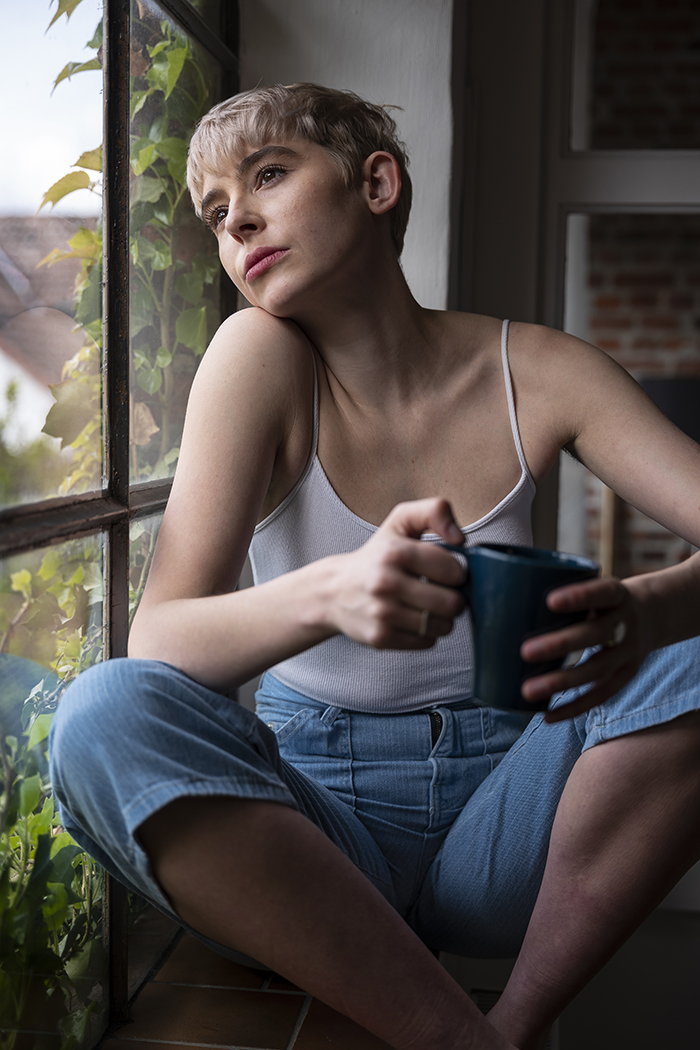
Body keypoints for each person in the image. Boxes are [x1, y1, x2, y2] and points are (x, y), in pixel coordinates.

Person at [49, 84, 700, 1050]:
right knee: (100, 713)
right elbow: (159, 640)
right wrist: (331, 592)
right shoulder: (255, 355)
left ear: (377, 183)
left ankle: (515, 1024)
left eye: (267, 176)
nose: (241, 224)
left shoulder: (542, 370)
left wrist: (643, 615)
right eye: (218, 215)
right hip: (314, 843)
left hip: (517, 819)